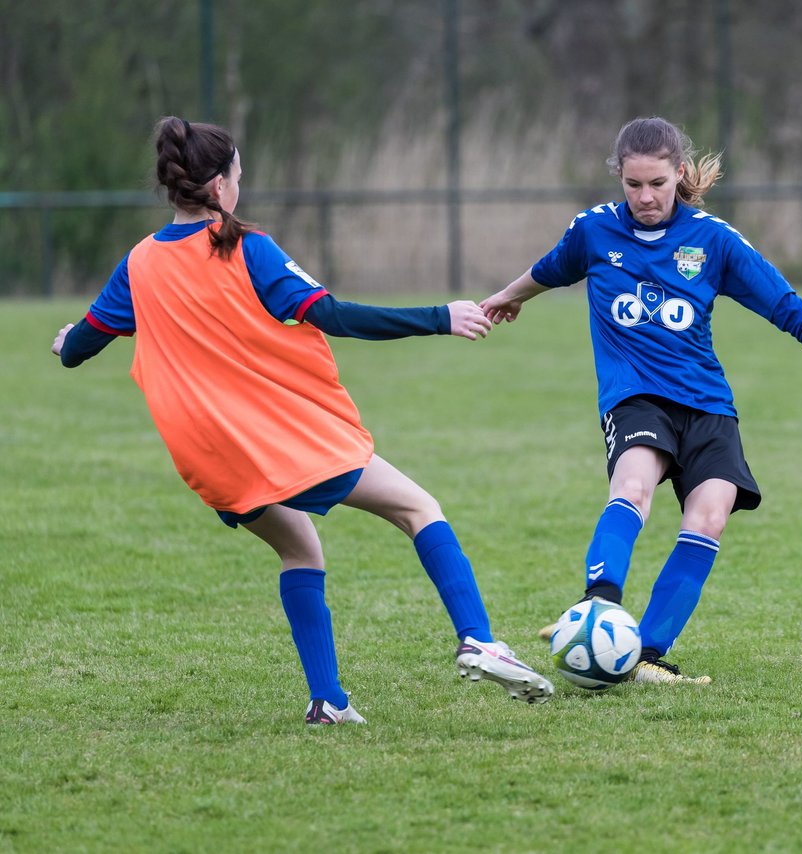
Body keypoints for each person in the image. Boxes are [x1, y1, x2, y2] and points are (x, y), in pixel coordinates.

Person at [51, 116, 553, 723]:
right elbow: (334, 315)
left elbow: (81, 348)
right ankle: (478, 638)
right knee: (418, 508)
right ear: (221, 187)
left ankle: (329, 703)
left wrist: (65, 342)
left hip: (207, 456)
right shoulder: (246, 248)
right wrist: (439, 316)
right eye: (238, 174)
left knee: (300, 549)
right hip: (280, 438)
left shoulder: (138, 264)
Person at [480, 116, 802, 685]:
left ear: (679, 173)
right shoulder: (594, 231)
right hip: (635, 397)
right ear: (619, 178)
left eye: (657, 184)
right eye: (633, 185)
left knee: (709, 517)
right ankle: (597, 608)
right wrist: (506, 298)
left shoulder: (714, 240)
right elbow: (548, 270)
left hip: (706, 402)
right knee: (632, 487)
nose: (645, 197)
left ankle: (645, 654)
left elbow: (790, 308)